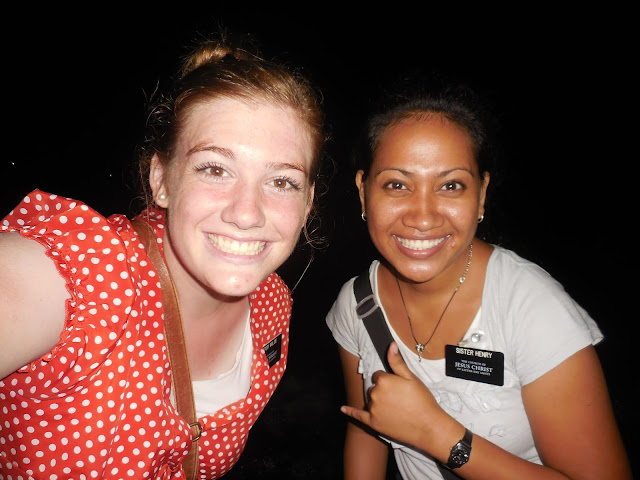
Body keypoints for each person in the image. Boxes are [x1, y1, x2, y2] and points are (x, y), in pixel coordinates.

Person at [0, 30, 325, 479]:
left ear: (307, 204)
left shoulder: (272, 307)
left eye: (282, 181)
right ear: (162, 180)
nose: (247, 213)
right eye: (215, 169)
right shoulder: (88, 271)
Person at [325, 74, 632, 480]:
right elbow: (366, 428)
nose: (422, 217)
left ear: (481, 194)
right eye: (397, 184)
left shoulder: (532, 310)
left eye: (451, 185)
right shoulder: (357, 304)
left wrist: (437, 433)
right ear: (364, 190)